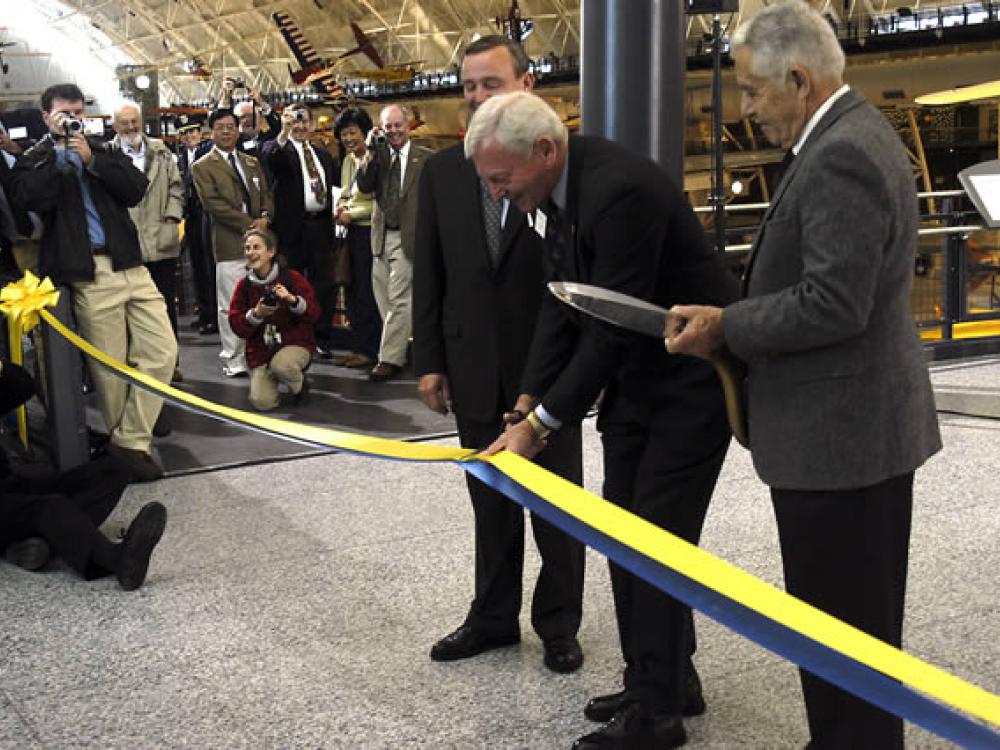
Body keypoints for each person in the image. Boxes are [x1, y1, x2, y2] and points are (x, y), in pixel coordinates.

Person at [664, 2, 941, 747]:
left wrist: (728, 325)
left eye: (753, 92)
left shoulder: (841, 153)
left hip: (843, 447)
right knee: (844, 634)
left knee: (845, 636)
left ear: (798, 78)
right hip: (847, 439)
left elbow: (833, 304)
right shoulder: (844, 139)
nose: (746, 110)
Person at [470, 92, 737, 749]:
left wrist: (545, 425)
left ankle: (659, 713)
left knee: (655, 541)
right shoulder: (560, 195)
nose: (501, 196)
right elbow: (563, 305)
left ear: (545, 151)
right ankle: (663, 678)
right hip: (639, 390)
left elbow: (611, 330)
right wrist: (526, 401)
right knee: (624, 536)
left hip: (690, 389)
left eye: (503, 180)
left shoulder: (620, 192)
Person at [412, 35, 586, 676]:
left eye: (490, 84)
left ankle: (558, 624)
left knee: (558, 505)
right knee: (490, 501)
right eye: (468, 87)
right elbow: (427, 270)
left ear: (528, 84)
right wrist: (429, 358)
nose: (478, 97)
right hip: (473, 366)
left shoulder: (556, 166)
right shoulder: (441, 172)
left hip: (548, 375)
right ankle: (492, 618)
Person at [10, 83, 177, 483]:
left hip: (130, 264)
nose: (73, 120)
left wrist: (91, 161)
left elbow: (136, 190)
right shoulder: (35, 156)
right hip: (90, 273)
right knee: (110, 369)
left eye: (79, 113)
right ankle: (133, 449)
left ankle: (128, 442)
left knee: (163, 350)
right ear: (47, 116)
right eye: (65, 113)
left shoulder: (102, 148)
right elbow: (26, 198)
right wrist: (60, 158)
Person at [0, 357, 167, 591]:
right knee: (51, 507)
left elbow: (24, 386)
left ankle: (37, 544)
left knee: (114, 470)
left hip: (11, 484)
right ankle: (114, 559)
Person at [192, 108, 273, 378]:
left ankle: (258, 354)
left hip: (260, 246)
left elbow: (266, 194)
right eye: (220, 127)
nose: (226, 131)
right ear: (211, 132)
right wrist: (250, 224)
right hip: (229, 245)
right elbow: (213, 205)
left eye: (231, 126)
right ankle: (233, 358)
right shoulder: (202, 166)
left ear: (238, 130)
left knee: (261, 301)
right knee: (230, 304)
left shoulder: (251, 162)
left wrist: (264, 217)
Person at [110, 101, 184, 384]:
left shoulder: (161, 150)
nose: (131, 128)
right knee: (131, 308)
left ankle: (171, 363)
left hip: (162, 241)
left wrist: (171, 219)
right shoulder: (108, 154)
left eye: (134, 122)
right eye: (124, 123)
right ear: (115, 126)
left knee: (166, 305)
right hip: (128, 244)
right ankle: (138, 363)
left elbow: (177, 188)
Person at [356, 104, 432, 382]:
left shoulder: (425, 159)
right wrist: (369, 154)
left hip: (408, 237)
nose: (393, 131)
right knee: (385, 299)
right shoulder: (377, 157)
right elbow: (364, 187)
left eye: (398, 125)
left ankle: (389, 359)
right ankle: (405, 348)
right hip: (380, 237)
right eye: (388, 127)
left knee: (400, 299)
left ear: (409, 126)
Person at [260, 103, 339, 358]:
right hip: (292, 229)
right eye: (295, 120)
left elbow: (334, 188)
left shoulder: (323, 155)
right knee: (290, 285)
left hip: (321, 227)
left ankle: (321, 337)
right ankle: (294, 338)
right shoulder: (281, 150)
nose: (300, 126)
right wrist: (282, 131)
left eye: (305, 121)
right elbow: (270, 156)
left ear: (313, 125)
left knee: (323, 285)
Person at [228, 229, 319, 410]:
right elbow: (236, 325)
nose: (251, 252)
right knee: (262, 402)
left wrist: (293, 300)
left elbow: (315, 313)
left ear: (271, 252)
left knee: (282, 365)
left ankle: (299, 387)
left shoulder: (292, 278)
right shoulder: (244, 286)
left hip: (294, 343)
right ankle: (277, 377)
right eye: (247, 248)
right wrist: (256, 315)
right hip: (262, 351)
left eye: (256, 247)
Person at [333, 108, 381, 372]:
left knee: (368, 293)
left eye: (353, 132)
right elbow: (343, 192)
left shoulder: (377, 159)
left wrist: (353, 213)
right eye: (344, 134)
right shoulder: (348, 160)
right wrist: (340, 208)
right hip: (349, 231)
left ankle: (371, 350)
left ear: (365, 132)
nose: (348, 138)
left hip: (369, 231)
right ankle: (359, 347)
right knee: (351, 290)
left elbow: (381, 202)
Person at [176, 118, 217, 335]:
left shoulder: (208, 150)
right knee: (198, 266)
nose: (190, 136)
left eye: (193, 131)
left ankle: (214, 315)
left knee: (210, 266)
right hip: (191, 214)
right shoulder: (181, 157)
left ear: (201, 133)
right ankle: (205, 312)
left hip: (207, 213)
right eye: (185, 133)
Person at [217, 77, 280, 159]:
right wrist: (226, 97)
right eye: (242, 117)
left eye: (251, 115)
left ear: (259, 118)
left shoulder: (269, 138)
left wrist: (261, 102)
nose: (247, 120)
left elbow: (279, 126)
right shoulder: (234, 142)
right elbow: (221, 123)